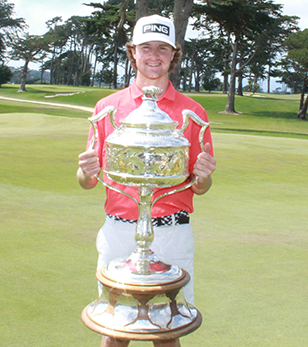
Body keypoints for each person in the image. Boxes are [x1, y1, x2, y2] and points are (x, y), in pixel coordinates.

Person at [77, 14, 216, 347]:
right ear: (133, 52)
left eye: (163, 49)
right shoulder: (108, 107)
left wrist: (204, 176)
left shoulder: (192, 111)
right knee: (115, 331)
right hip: (119, 230)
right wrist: (85, 170)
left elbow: (200, 186)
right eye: (146, 48)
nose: (154, 55)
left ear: (173, 54)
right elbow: (87, 181)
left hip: (172, 232)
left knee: (167, 331)